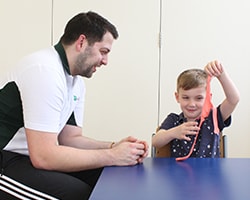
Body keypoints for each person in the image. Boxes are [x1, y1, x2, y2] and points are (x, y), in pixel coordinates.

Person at [0, 11, 148, 200]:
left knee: (105, 177)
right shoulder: (44, 70)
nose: (105, 61)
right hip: (7, 158)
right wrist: (112, 155)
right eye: (103, 52)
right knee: (78, 194)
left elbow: (70, 139)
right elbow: (43, 156)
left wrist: (114, 146)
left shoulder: (75, 82)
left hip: (28, 158)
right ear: (81, 43)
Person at [152, 60, 240, 158]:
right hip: (179, 173)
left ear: (208, 98)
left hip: (209, 173)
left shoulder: (214, 117)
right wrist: (173, 132)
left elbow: (233, 99)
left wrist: (221, 74)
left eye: (199, 98)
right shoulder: (174, 120)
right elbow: (156, 141)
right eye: (185, 98)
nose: (192, 104)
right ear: (177, 97)